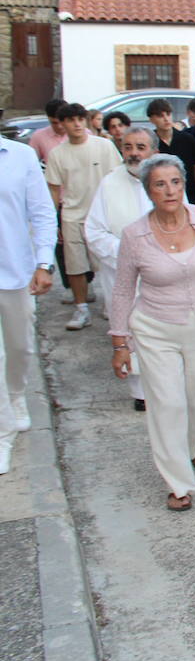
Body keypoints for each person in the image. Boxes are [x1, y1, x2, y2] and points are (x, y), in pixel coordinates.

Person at [109, 155, 195, 511]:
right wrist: (119, 342)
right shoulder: (134, 235)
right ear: (148, 191)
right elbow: (123, 290)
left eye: (175, 182)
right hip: (155, 327)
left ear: (183, 184)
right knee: (166, 404)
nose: (169, 190)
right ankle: (178, 482)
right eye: (159, 184)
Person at [86, 127, 156, 407]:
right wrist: (126, 253)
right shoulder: (109, 184)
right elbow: (94, 231)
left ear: (153, 150)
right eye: (128, 147)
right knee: (132, 329)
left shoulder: (166, 179)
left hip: (161, 273)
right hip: (123, 272)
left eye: (141, 147)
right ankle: (141, 392)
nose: (134, 153)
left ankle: (165, 385)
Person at [0, 134, 56, 475]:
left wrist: (43, 263)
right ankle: (3, 433)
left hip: (15, 272)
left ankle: (17, 393)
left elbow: (42, 214)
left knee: (19, 349)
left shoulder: (20, 157)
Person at [46, 103, 122, 331]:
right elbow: (53, 189)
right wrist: (55, 221)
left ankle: (112, 304)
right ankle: (81, 309)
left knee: (110, 262)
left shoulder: (104, 146)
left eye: (81, 119)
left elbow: (117, 178)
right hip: (71, 216)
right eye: (71, 120)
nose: (77, 124)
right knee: (75, 266)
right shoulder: (57, 154)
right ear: (62, 124)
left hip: (103, 215)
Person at [147, 98, 195, 205]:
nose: (166, 119)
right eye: (160, 116)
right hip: (163, 196)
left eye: (168, 114)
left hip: (189, 193)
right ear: (152, 119)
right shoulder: (150, 142)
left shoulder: (187, 139)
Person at [29, 99, 66, 163]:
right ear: (48, 119)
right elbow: (31, 162)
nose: (59, 126)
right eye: (54, 123)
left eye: (62, 122)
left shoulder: (84, 134)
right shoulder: (38, 136)